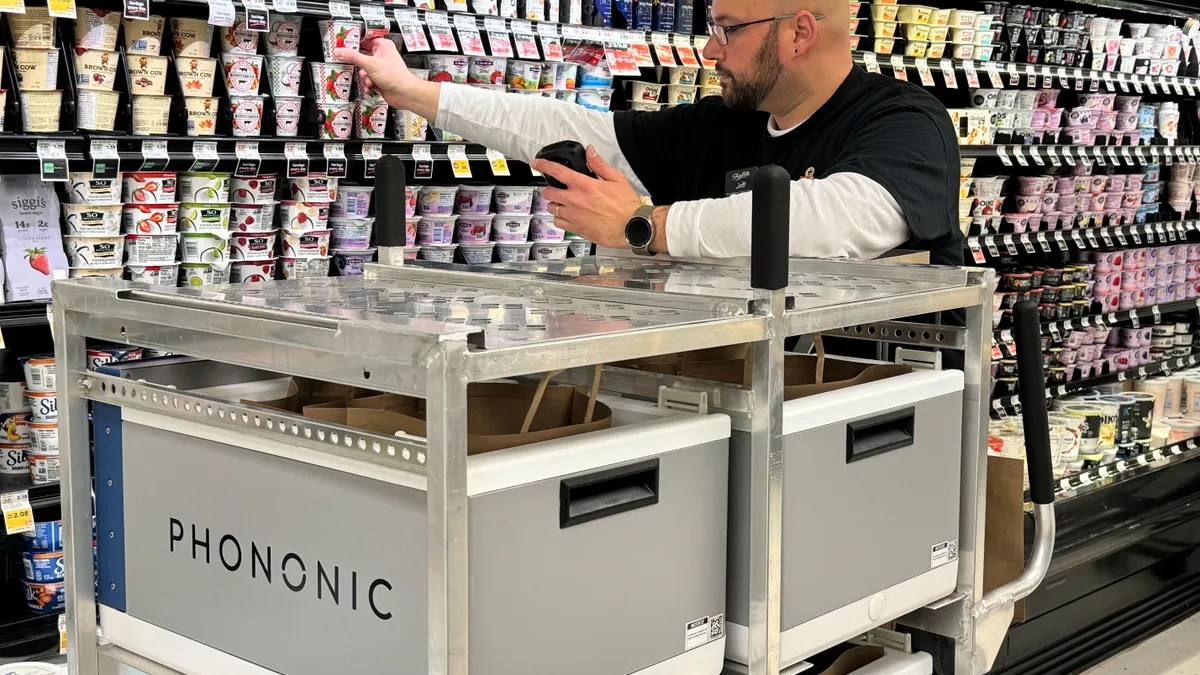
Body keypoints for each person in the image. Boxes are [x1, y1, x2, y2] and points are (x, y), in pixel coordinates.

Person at [337, 0, 963, 266]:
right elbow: (573, 128)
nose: (710, 48)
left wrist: (641, 225)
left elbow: (836, 219)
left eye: (726, 29)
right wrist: (415, 92)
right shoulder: (722, 122)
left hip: (874, 411)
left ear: (798, 33)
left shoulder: (906, 122)